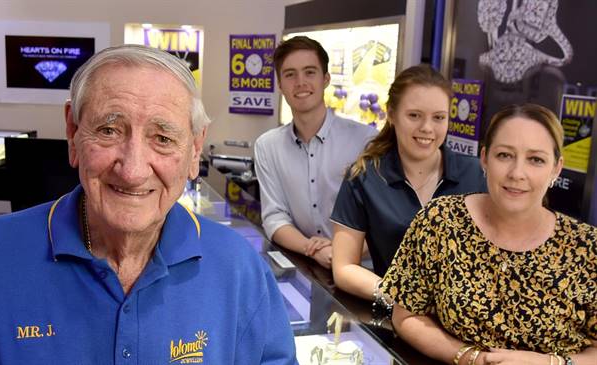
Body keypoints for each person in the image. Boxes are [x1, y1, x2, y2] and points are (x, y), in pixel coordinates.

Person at [0, 45, 297, 364]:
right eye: (109, 131)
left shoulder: (240, 271)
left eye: (162, 138)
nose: (132, 171)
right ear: (72, 132)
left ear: (194, 149)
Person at [383, 104, 597, 365]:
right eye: (505, 155)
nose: (517, 173)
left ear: (556, 168)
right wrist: (471, 358)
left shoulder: (587, 247)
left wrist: (550, 363)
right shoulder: (441, 221)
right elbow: (405, 316)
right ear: (484, 158)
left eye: (536, 160)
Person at [331, 65, 486, 301]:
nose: (427, 128)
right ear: (391, 114)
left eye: (438, 118)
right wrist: (399, 296)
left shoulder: (477, 174)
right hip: (399, 318)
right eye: (414, 115)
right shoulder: (363, 177)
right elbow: (344, 269)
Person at [255, 36, 377, 269]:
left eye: (309, 72)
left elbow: (381, 221)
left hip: (364, 272)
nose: (300, 82)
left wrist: (339, 254)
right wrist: (313, 250)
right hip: (307, 268)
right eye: (290, 74)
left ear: (326, 79)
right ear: (280, 85)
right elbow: (274, 217)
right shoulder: (266, 146)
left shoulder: (366, 141)